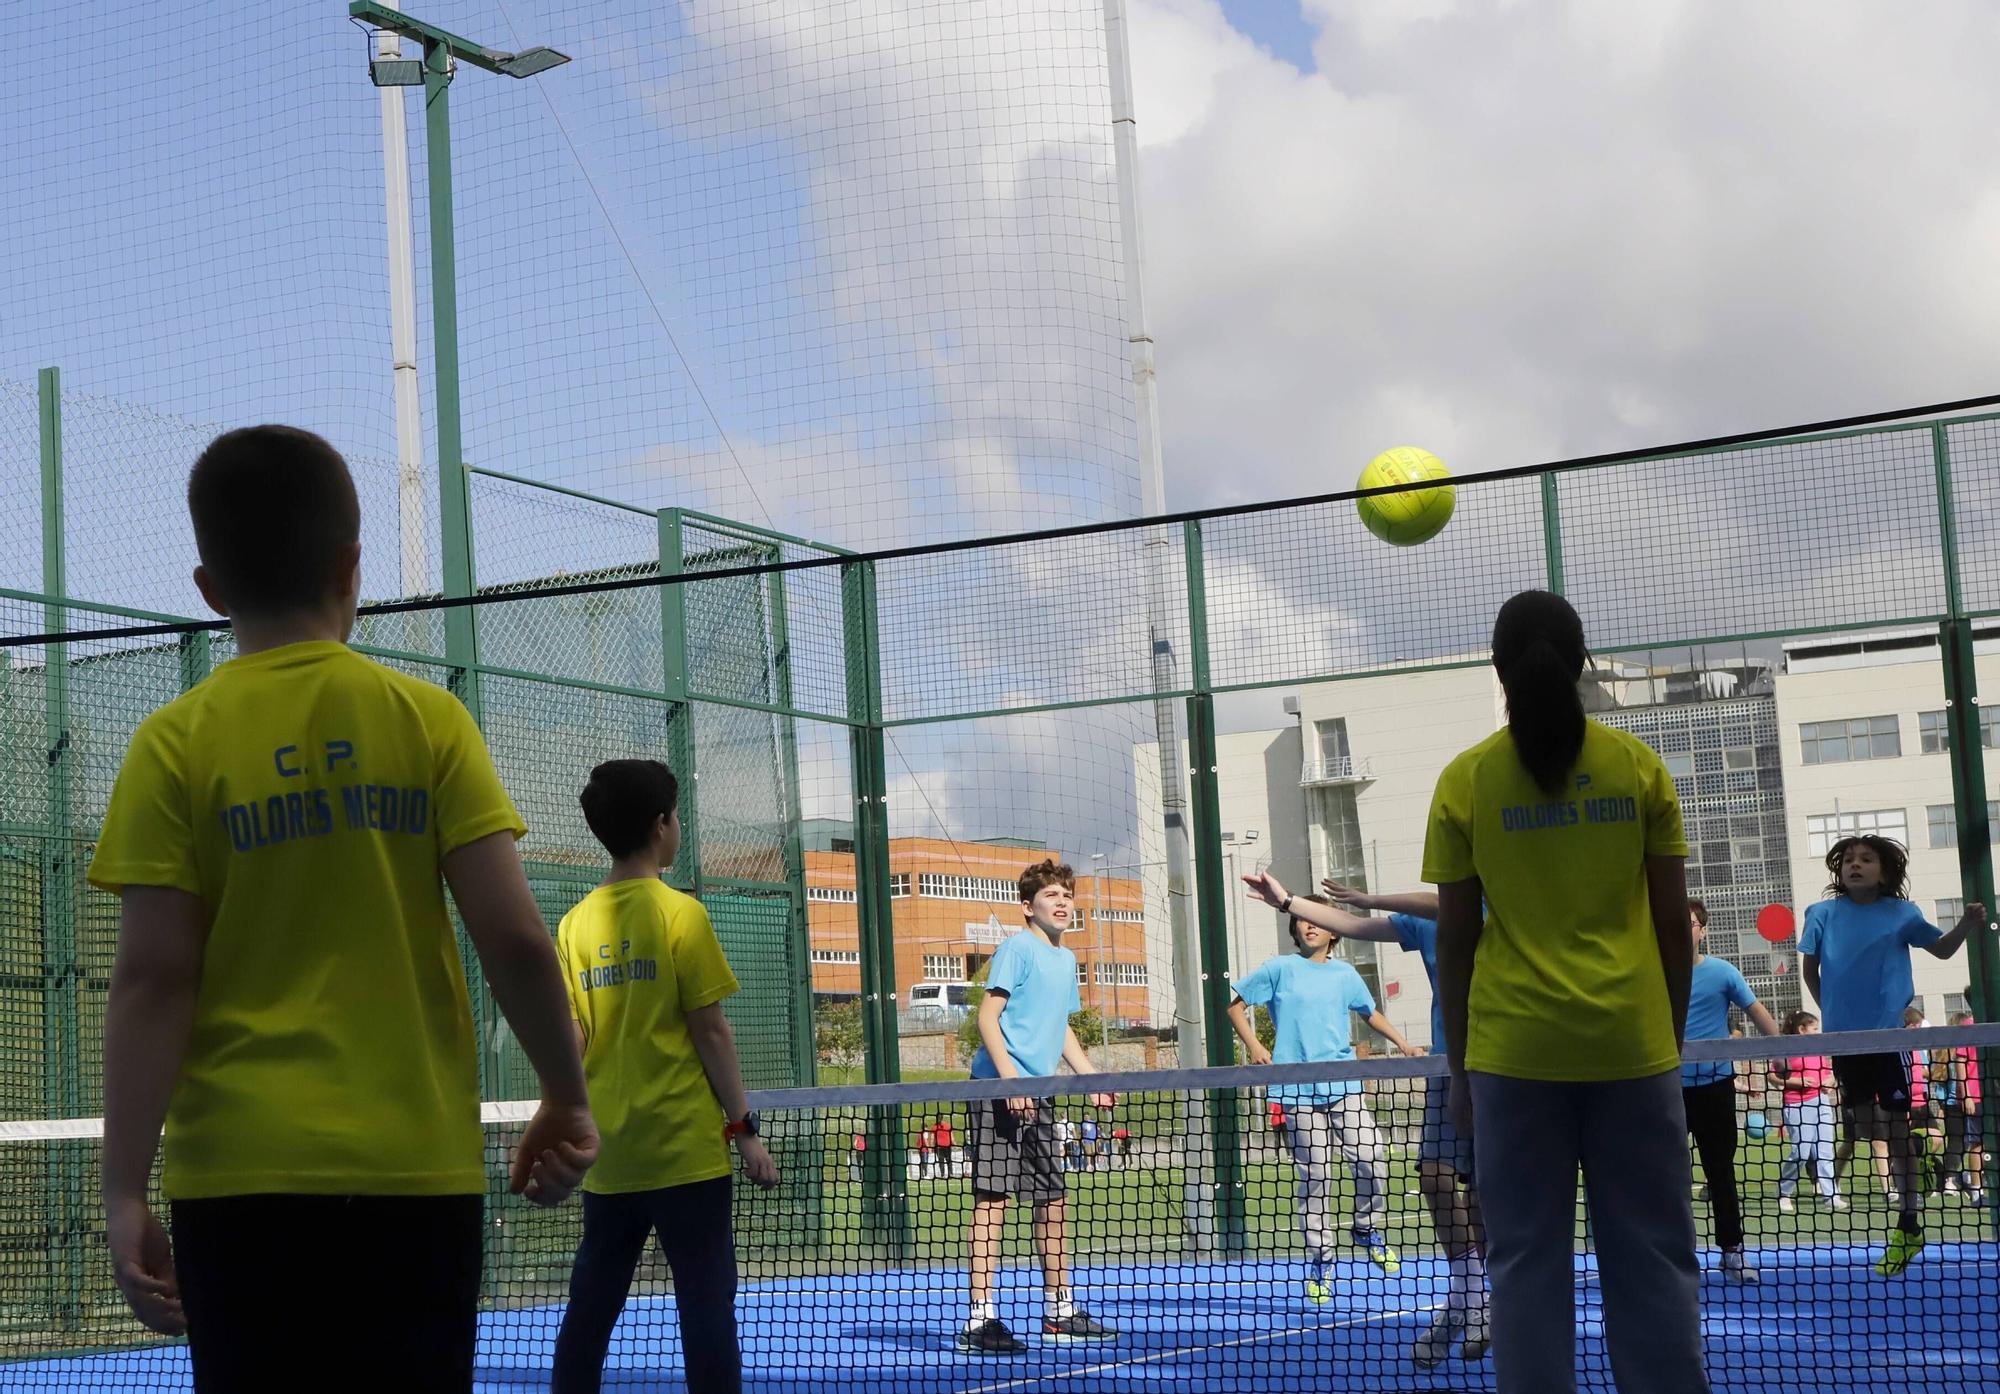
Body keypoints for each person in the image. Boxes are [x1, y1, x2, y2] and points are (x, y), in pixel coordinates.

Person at [91, 426, 598, 1393]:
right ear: (352, 565)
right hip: (414, 1185)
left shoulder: (170, 745)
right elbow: (518, 940)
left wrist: (123, 1191)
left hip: (237, 1192)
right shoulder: (429, 720)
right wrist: (566, 1094)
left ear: (208, 587)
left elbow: (154, 980)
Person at [1426, 590, 1709, 1394]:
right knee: (1653, 1256)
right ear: (1583, 660)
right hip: (1633, 1046)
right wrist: (1667, 1042)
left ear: (1497, 666)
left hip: (1513, 1057)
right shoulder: (1638, 767)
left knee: (1522, 1263)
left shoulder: (1466, 779)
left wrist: (1462, 1070)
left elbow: (1455, 938)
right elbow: (1667, 923)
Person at [550, 760, 780, 1394]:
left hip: (612, 1157)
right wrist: (744, 1130)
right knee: (707, 1321)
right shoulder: (682, 915)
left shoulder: (573, 925)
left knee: (589, 1319)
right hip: (687, 1158)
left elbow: (572, 1040)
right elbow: (710, 1031)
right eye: (676, 816)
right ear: (661, 826)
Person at [1252, 872, 1490, 1365]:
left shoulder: (1511, 906)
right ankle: (1470, 1297)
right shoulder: (1428, 922)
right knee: (1435, 1176)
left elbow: (1441, 901)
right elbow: (1355, 925)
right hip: (1450, 1063)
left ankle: (1474, 1302)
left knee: (1485, 1188)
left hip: (1511, 1064)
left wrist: (1371, 897)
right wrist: (1289, 900)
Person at [1226, 890, 1420, 1305]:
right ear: (1294, 926)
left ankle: (1366, 1227)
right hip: (1296, 1090)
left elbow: (1371, 1014)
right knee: (1316, 1175)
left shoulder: (1346, 974)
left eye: (1319, 919)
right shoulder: (1278, 969)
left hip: (1344, 1084)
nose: (1310, 924)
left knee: (1371, 1157)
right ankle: (1321, 1259)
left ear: (1334, 932)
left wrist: (1405, 1045)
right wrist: (1257, 1048)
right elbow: (1235, 1007)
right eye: (1303, 919)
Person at [1800, 835, 1981, 1276]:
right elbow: (1810, 968)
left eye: (1866, 859)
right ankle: (1919, 1156)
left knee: (1894, 1129)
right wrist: (1832, 1015)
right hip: (1844, 1042)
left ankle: (1909, 1222)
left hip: (1890, 1040)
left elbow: (1941, 948)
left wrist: (1966, 924)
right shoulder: (1820, 914)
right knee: (1865, 1130)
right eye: (1848, 861)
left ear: (1885, 870)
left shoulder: (1903, 913)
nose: (1855, 865)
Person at [960, 860, 1117, 1356]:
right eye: (1051, 895)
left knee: (1054, 1200)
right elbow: (989, 1018)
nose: (1063, 902)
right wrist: (1011, 1082)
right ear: (1028, 907)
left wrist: (1090, 1078)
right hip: (996, 1091)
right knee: (994, 1201)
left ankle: (1059, 1310)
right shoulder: (1016, 949)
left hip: (1041, 1094)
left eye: (1067, 895)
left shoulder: (1065, 960)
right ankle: (979, 1320)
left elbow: (1060, 1028)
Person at [1681, 900, 1780, 1282]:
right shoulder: (1654, 972)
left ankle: (1732, 1252)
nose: (1682, 928)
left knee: (1720, 1172)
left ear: (1702, 930)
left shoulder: (1723, 972)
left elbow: (1755, 1010)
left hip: (1715, 1088)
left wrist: (1784, 1053)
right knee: (1668, 1176)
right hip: (1667, 1091)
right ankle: (1676, 1254)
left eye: (1689, 923)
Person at [1770, 1010, 1843, 1214]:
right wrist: (1796, 1081)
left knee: (1825, 1151)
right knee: (1800, 1153)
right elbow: (1772, 1076)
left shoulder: (1818, 1048)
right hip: (1796, 1104)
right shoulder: (1785, 1048)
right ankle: (1784, 1193)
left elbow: (1829, 1073)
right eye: (1814, 1028)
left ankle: (1831, 1196)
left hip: (1822, 1102)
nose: (1817, 1032)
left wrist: (1830, 1081)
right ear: (1802, 1030)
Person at [1943, 1010, 1985, 1204]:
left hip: (1993, 1094)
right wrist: (1966, 1094)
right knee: (1977, 1143)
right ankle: (1976, 1191)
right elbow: (1961, 1063)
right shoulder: (1968, 1026)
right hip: (1975, 1096)